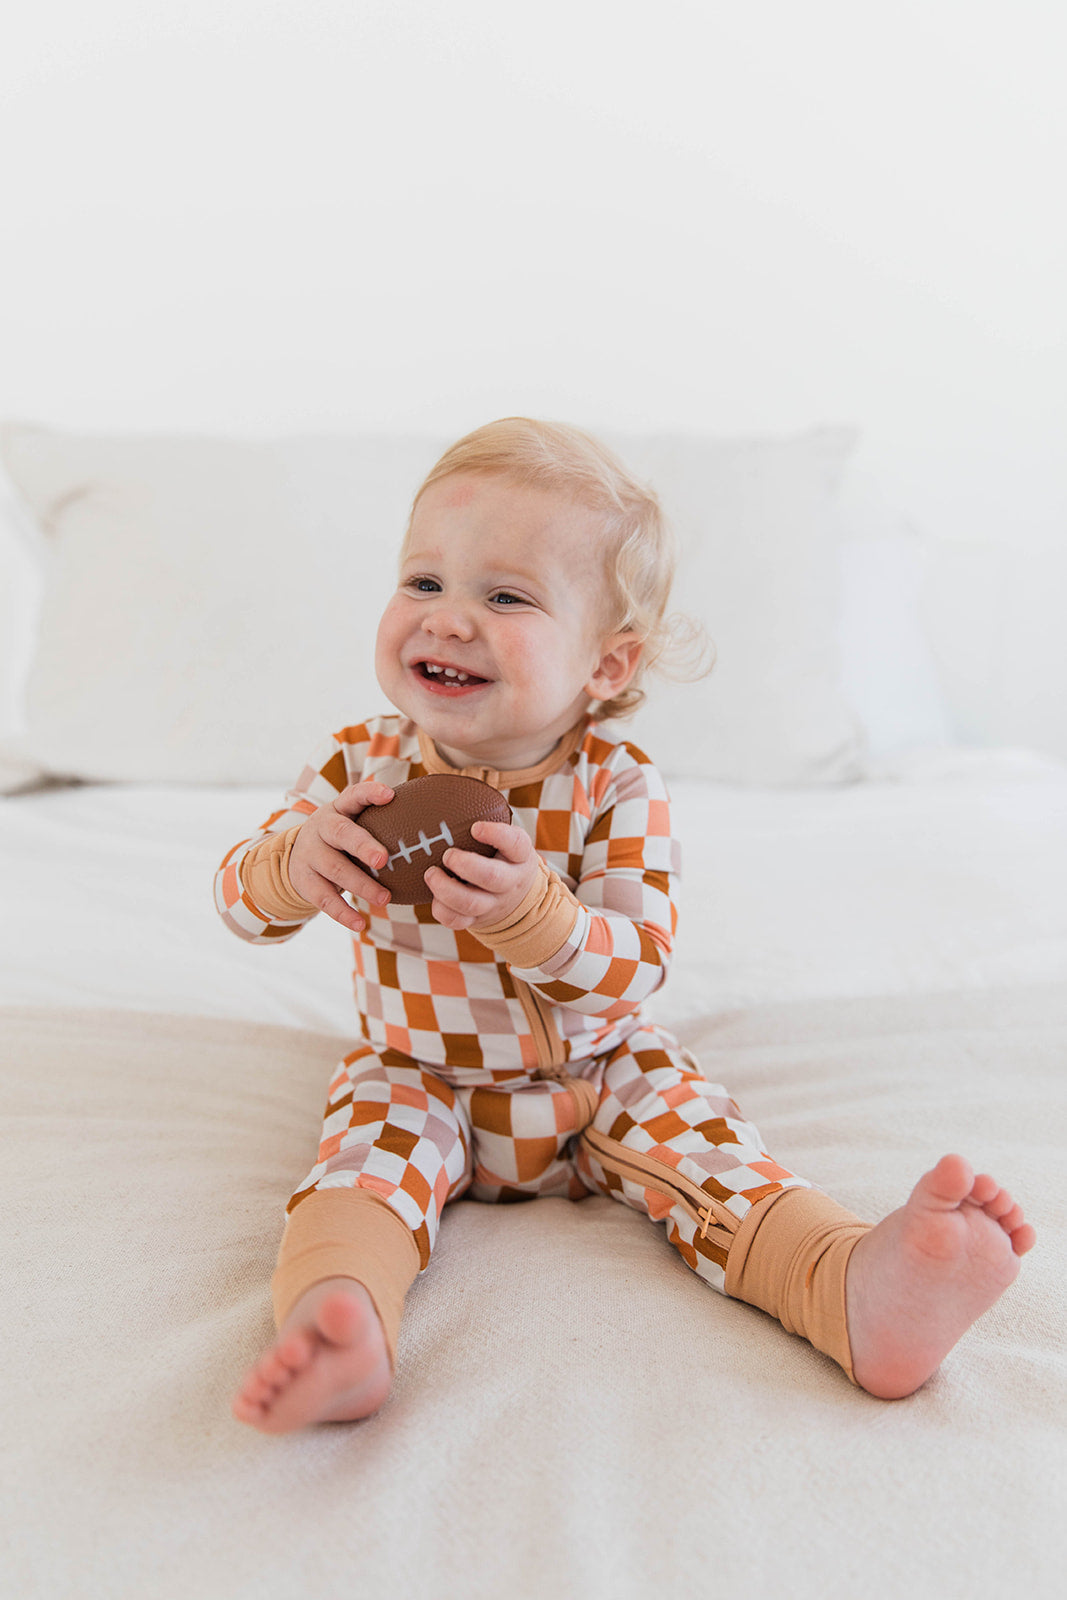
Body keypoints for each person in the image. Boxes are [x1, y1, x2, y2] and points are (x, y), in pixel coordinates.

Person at [218, 417, 1035, 1433]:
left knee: (714, 1156)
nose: (448, 619)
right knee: (358, 1172)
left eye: (504, 595)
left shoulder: (615, 785)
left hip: (596, 1072)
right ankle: (339, 1321)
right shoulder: (356, 766)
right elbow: (238, 907)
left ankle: (848, 1284)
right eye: (422, 583)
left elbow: (631, 970)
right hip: (416, 1068)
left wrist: (530, 912)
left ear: (606, 666)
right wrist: (292, 867)